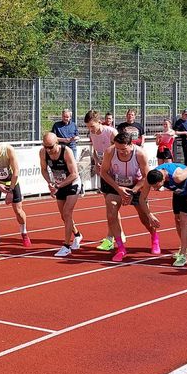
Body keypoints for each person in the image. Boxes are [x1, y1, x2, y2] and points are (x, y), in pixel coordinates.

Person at [100, 132, 161, 262]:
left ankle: (154, 237)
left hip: (136, 185)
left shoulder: (140, 154)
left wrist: (133, 192)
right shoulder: (110, 152)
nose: (120, 152)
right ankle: (120, 247)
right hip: (116, 184)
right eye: (118, 148)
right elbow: (103, 172)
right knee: (111, 213)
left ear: (130, 144)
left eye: (123, 149)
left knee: (144, 218)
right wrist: (118, 189)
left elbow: (146, 176)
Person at [139, 162, 187, 267]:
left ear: (163, 179)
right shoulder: (150, 178)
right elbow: (142, 199)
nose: (155, 189)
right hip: (178, 191)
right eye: (153, 187)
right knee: (177, 219)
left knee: (184, 218)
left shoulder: (178, 176)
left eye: (156, 186)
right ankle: (186, 248)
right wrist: (149, 215)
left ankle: (183, 255)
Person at [40, 132, 83, 257]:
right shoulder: (43, 152)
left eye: (51, 147)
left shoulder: (66, 151)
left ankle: (66, 246)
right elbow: (43, 169)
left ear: (57, 143)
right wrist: (50, 182)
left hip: (72, 183)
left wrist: (58, 185)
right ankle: (77, 235)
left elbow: (74, 174)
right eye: (45, 146)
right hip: (59, 184)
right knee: (64, 217)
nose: (48, 150)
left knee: (67, 212)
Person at [84, 109, 117, 251]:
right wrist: (97, 161)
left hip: (116, 171)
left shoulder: (111, 132)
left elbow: (120, 149)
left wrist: (109, 164)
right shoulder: (92, 133)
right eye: (88, 127)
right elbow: (95, 151)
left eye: (92, 126)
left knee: (113, 207)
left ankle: (112, 237)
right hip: (104, 172)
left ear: (99, 122)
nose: (90, 129)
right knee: (110, 206)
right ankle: (114, 235)